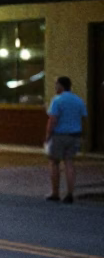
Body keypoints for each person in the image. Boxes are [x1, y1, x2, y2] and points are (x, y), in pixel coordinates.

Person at [45, 76, 87, 204]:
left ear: (61, 86)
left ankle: (55, 192)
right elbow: (84, 118)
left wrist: (48, 135)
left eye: (56, 85)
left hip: (59, 135)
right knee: (69, 163)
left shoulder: (57, 100)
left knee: (54, 162)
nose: (55, 87)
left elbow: (52, 119)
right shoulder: (78, 100)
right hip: (74, 135)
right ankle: (69, 194)